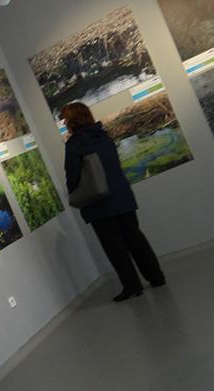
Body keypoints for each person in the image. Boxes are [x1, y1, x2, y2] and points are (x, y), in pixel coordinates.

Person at [61, 102, 166, 302]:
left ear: (71, 121)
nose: (64, 123)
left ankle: (132, 286)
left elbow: (72, 175)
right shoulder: (104, 135)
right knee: (136, 239)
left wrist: (74, 193)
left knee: (115, 248)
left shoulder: (74, 144)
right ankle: (156, 277)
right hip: (122, 196)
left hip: (99, 202)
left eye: (65, 119)